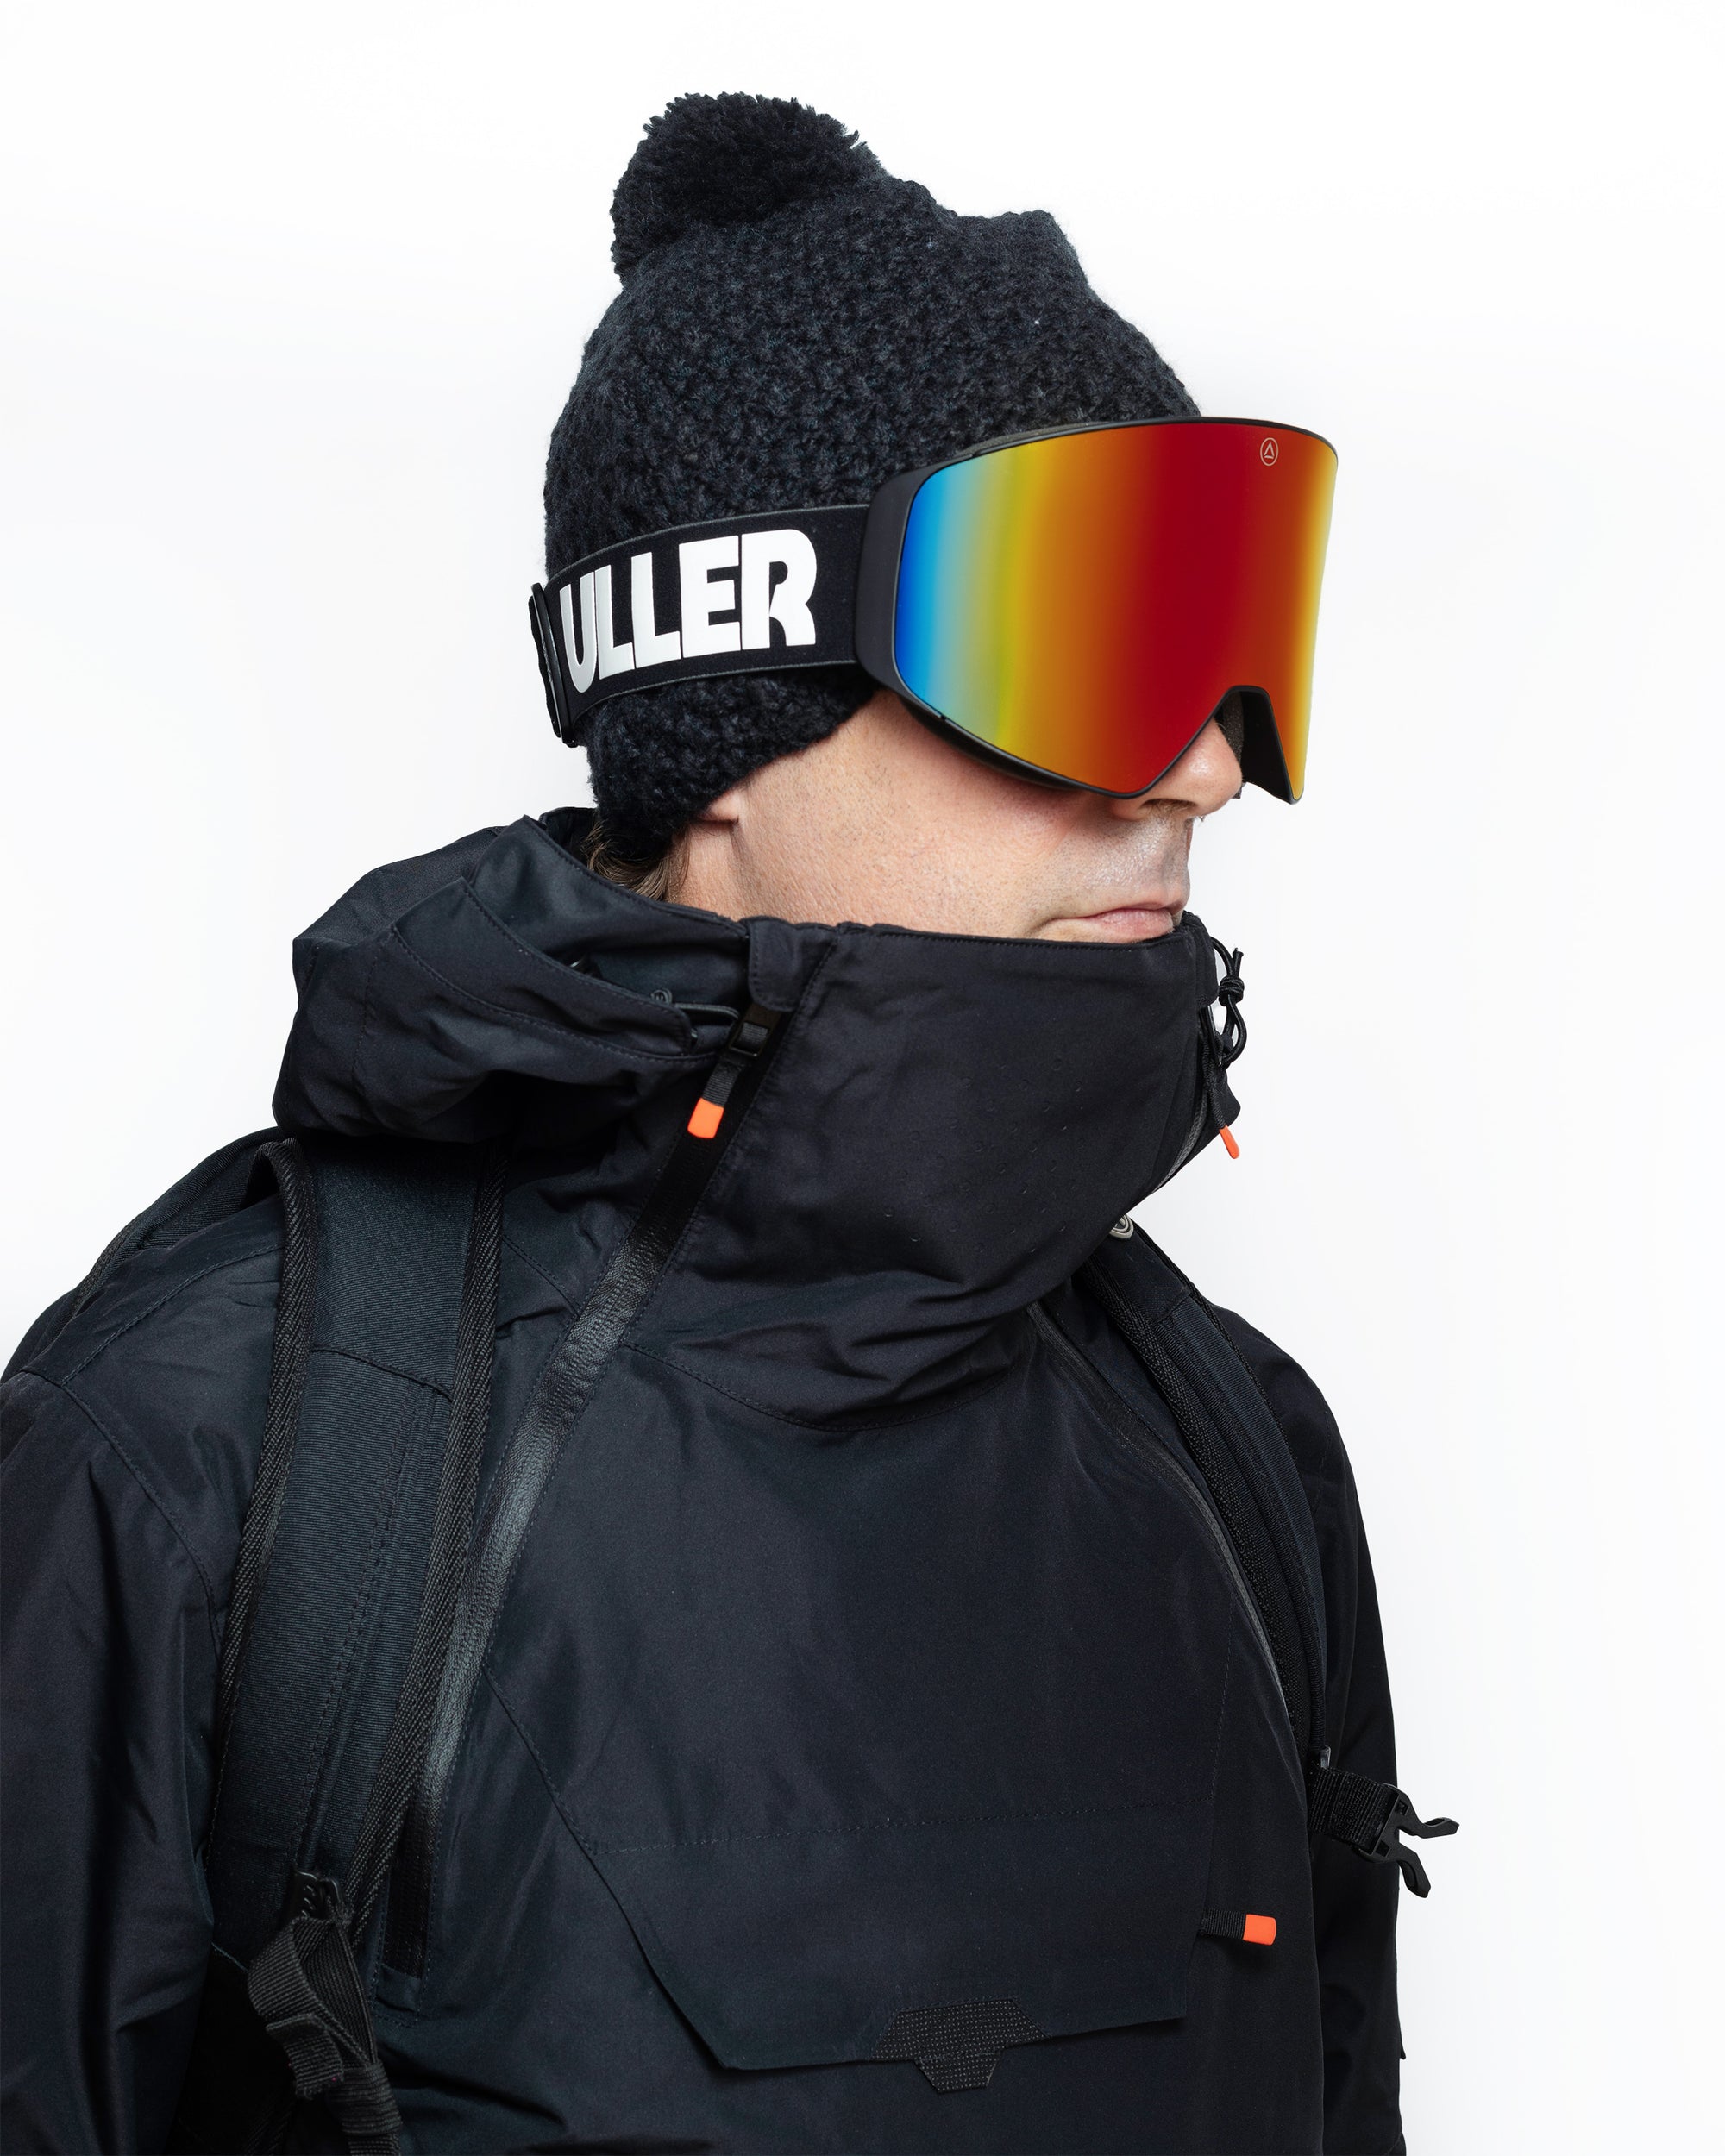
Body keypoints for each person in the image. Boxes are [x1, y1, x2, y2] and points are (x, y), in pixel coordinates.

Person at [1, 92, 1447, 2156]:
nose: (1206, 771)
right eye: (1086, 637)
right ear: (723, 705)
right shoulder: (211, 1453)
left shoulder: (1233, 1444)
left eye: (1223, 635)